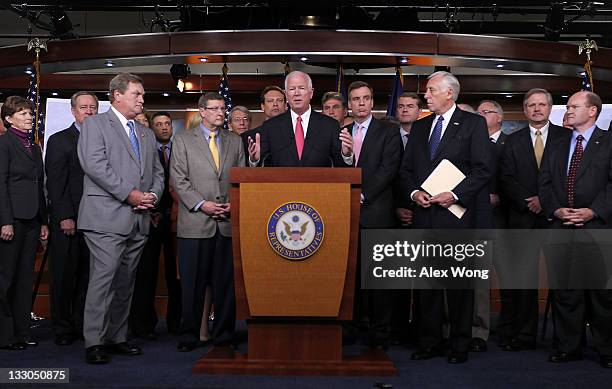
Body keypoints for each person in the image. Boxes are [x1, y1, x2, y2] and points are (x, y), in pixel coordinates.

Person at [399, 71, 491, 364]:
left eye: (430, 90)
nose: (425, 95)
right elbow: (405, 171)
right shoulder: (420, 126)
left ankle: (459, 345)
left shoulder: (473, 124)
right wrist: (414, 194)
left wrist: (455, 193)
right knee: (428, 287)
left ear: (449, 93)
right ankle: (430, 342)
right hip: (425, 217)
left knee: (459, 288)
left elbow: (482, 169)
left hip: (457, 218)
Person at [77, 73, 164, 364]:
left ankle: (117, 337)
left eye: (142, 94)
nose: (142, 99)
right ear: (117, 95)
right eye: (136, 94)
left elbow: (157, 173)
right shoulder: (95, 125)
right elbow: (95, 166)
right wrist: (130, 194)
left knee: (126, 282)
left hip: (138, 219)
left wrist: (152, 195)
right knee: (104, 280)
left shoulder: (145, 133)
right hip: (105, 217)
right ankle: (94, 342)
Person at [539, 91, 612, 369]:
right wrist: (556, 209)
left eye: (573, 106)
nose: (567, 111)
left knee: (602, 294)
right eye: (567, 106)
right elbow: (543, 183)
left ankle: (607, 349)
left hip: (598, 227)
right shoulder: (557, 144)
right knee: (565, 292)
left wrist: (594, 211)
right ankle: (569, 347)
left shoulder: (608, 142)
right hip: (561, 226)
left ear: (592, 111)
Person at [170, 92, 245, 352]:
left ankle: (224, 334)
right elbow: (179, 180)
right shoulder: (182, 140)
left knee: (226, 285)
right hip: (195, 223)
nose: (220, 113)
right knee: (192, 285)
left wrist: (234, 204)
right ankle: (189, 335)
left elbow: (241, 177)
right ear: (202, 111)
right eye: (214, 109)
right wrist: (203, 204)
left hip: (226, 222)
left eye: (223, 108)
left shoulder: (234, 140)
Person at [497, 88, 569, 352]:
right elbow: (505, 178)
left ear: (550, 108)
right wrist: (528, 200)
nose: (537, 109)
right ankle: (525, 336)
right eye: (532, 105)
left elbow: (568, 177)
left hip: (555, 218)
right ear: (525, 110)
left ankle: (563, 340)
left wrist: (545, 200)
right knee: (523, 283)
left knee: (562, 282)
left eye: (542, 105)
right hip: (522, 217)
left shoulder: (567, 137)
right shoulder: (511, 141)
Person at [346, 81, 402, 350]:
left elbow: (389, 169)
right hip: (345, 215)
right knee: (350, 279)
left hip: (377, 213)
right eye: (356, 99)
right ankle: (351, 329)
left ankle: (381, 336)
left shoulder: (388, 131)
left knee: (379, 281)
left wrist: (363, 194)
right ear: (350, 103)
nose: (361, 103)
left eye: (366, 98)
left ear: (372, 102)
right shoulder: (342, 131)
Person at [45, 91, 98, 346]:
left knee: (88, 277)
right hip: (69, 221)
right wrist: (65, 216)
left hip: (95, 222)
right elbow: (55, 184)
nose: (89, 111)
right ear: (73, 111)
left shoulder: (101, 140)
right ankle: (63, 328)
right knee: (64, 277)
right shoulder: (60, 140)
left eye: (93, 107)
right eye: (84, 107)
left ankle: (80, 324)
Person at [0, 96, 49, 350]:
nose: (29, 117)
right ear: (9, 119)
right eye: (22, 113)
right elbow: (1, 185)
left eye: (30, 113)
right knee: (5, 280)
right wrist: (5, 221)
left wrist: (42, 220)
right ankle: (5, 335)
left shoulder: (34, 147)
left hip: (32, 220)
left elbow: (38, 186)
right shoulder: (4, 144)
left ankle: (22, 332)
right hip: (12, 222)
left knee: (24, 279)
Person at [129, 111, 181, 338]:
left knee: (176, 275)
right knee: (145, 274)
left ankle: (176, 323)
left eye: (167, 124)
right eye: (158, 124)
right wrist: (153, 210)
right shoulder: (143, 149)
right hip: (148, 216)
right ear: (151, 127)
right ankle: (144, 324)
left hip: (178, 219)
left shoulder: (180, 149)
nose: (163, 128)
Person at [248, 71, 353, 167]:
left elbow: (340, 167)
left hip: (319, 186)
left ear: (311, 93)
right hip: (281, 186)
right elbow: (262, 167)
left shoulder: (330, 125)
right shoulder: (271, 126)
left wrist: (346, 155)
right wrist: (254, 160)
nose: (296, 93)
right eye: (292, 89)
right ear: (286, 94)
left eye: (301, 88)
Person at [241, 85, 286, 158]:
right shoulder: (248, 137)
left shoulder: (296, 133)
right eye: (270, 101)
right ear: (262, 106)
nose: (275, 104)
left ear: (286, 106)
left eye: (279, 100)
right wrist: (253, 161)